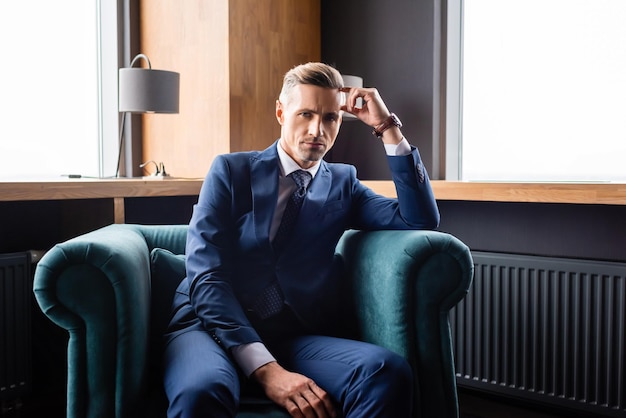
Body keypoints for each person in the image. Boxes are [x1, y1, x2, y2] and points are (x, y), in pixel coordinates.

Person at [163, 62, 440, 418]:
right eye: (305, 114)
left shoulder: (343, 184)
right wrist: (267, 371)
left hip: (291, 335)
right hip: (208, 325)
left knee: (386, 372)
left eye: (330, 118)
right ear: (281, 112)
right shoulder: (231, 171)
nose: (317, 130)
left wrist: (387, 128)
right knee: (202, 391)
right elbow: (206, 276)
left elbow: (419, 218)